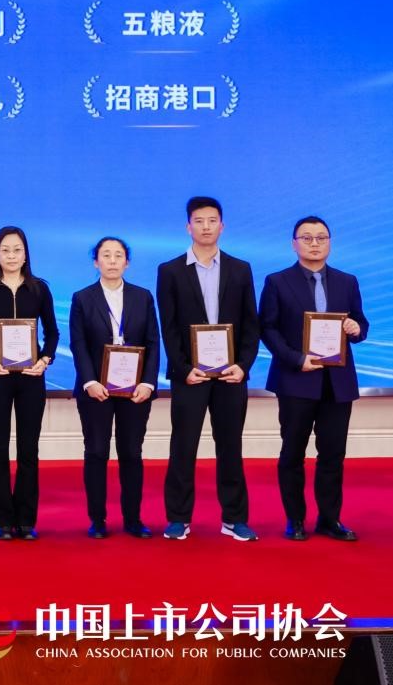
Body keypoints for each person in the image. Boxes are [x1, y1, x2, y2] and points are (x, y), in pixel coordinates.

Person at [157, 196, 260, 542]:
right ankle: (178, 518)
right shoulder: (170, 271)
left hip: (231, 375)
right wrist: (183, 368)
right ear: (188, 227)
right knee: (183, 446)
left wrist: (243, 366)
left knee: (230, 446)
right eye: (199, 221)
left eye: (212, 220)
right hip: (191, 375)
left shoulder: (240, 269)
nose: (205, 226)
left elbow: (251, 324)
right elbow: (169, 327)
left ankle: (234, 518)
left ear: (222, 226)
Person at [259, 216, 368, 542]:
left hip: (338, 382)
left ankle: (329, 519)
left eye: (321, 237)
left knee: (333, 455)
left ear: (330, 242)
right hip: (296, 380)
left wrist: (356, 329)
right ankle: (295, 519)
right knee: (293, 453)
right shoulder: (277, 281)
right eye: (306, 238)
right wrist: (296, 359)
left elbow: (360, 324)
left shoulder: (347, 281)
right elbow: (267, 328)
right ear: (294, 244)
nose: (315, 243)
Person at [0, 226, 59, 540]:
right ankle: (2, 520)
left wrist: (45, 360)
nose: (11, 256)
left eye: (17, 250)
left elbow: (52, 332)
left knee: (28, 449)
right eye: (5, 250)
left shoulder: (39, 289)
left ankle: (26, 520)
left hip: (32, 378)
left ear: (25, 254)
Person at [68, 237, 160, 540]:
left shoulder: (143, 297)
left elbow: (153, 341)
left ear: (127, 263)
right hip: (96, 389)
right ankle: (97, 520)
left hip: (135, 391)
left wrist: (148, 382)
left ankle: (133, 519)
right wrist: (89, 381)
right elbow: (78, 343)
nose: (111, 260)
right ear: (96, 262)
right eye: (105, 255)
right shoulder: (82, 298)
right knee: (96, 451)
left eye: (118, 255)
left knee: (131, 452)